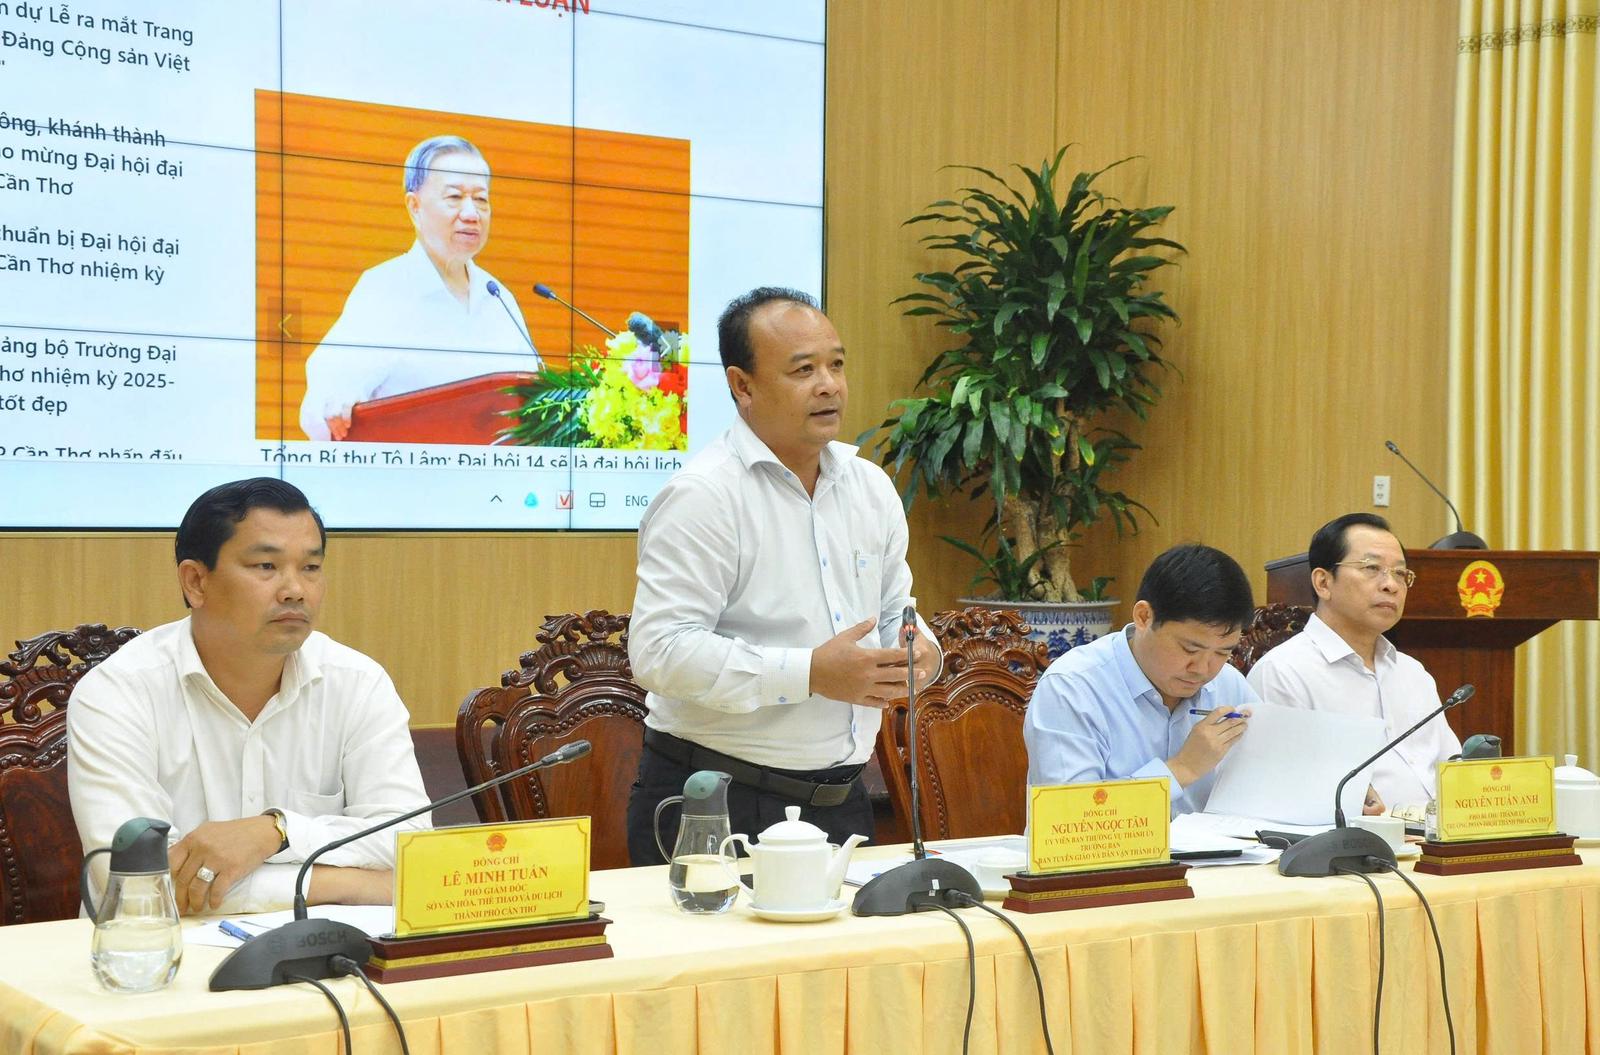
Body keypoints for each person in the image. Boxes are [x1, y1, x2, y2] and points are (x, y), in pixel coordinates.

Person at [624, 287, 942, 862]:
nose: (829, 385)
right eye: (803, 370)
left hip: (842, 802)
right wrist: (810, 673)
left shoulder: (870, 487)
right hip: (719, 802)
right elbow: (660, 651)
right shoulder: (704, 497)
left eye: (836, 365)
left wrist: (918, 650)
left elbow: (898, 609)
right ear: (742, 386)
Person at [67, 478, 431, 915]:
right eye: (266, 566)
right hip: (162, 950)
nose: (295, 590)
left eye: (311, 567)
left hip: (325, 947)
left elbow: (409, 846)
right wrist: (348, 884)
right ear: (196, 581)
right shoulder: (117, 693)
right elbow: (140, 887)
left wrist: (276, 832)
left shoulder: (357, 682)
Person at [298, 135, 540, 441]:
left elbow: (536, 402)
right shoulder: (384, 289)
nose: (471, 214)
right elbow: (325, 400)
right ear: (414, 206)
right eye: (454, 197)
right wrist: (337, 401)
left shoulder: (498, 297)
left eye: (481, 199)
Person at [1024, 544, 1259, 816]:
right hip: (1109, 846)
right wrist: (1183, 768)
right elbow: (1070, 817)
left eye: (1223, 652)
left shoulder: (1229, 684)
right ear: (1144, 617)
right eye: (1190, 649)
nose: (1203, 669)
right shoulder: (1072, 687)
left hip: (1219, 845)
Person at [1246, 512, 1460, 811]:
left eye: (1400, 573)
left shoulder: (1413, 673)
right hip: (1354, 838)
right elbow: (1279, 792)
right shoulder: (1284, 672)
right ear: (1323, 582)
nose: (1391, 585)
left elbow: (1453, 768)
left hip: (1437, 833)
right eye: (1371, 568)